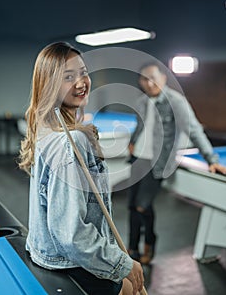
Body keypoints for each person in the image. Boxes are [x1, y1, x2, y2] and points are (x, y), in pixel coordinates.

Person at [18, 41, 144, 295]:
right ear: (50, 85)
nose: (81, 82)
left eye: (83, 72)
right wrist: (122, 264)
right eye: (68, 77)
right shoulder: (69, 141)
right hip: (67, 263)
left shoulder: (47, 128)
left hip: (45, 253)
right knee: (129, 286)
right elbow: (71, 235)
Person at [127, 61, 226, 265]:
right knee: (132, 206)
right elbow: (141, 126)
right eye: (145, 79)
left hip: (157, 163)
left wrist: (212, 159)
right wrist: (132, 141)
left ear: (163, 78)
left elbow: (194, 129)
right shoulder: (141, 102)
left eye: (153, 78)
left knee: (141, 207)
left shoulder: (176, 102)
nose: (149, 83)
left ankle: (149, 242)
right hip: (138, 158)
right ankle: (132, 249)